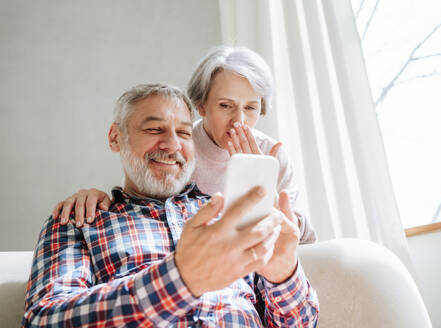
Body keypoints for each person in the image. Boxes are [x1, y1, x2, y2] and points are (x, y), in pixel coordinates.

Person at [23, 84, 319, 327]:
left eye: (184, 133)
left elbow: (299, 323)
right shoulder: (80, 220)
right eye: (154, 130)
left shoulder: (232, 214)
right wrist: (179, 279)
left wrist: (284, 274)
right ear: (116, 137)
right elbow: (43, 319)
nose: (172, 145)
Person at [52, 46, 317, 244]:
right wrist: (94, 198)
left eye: (251, 108)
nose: (239, 121)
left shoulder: (272, 155)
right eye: (225, 106)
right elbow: (143, 206)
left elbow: (302, 236)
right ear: (200, 106)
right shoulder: (180, 152)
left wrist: (263, 191)